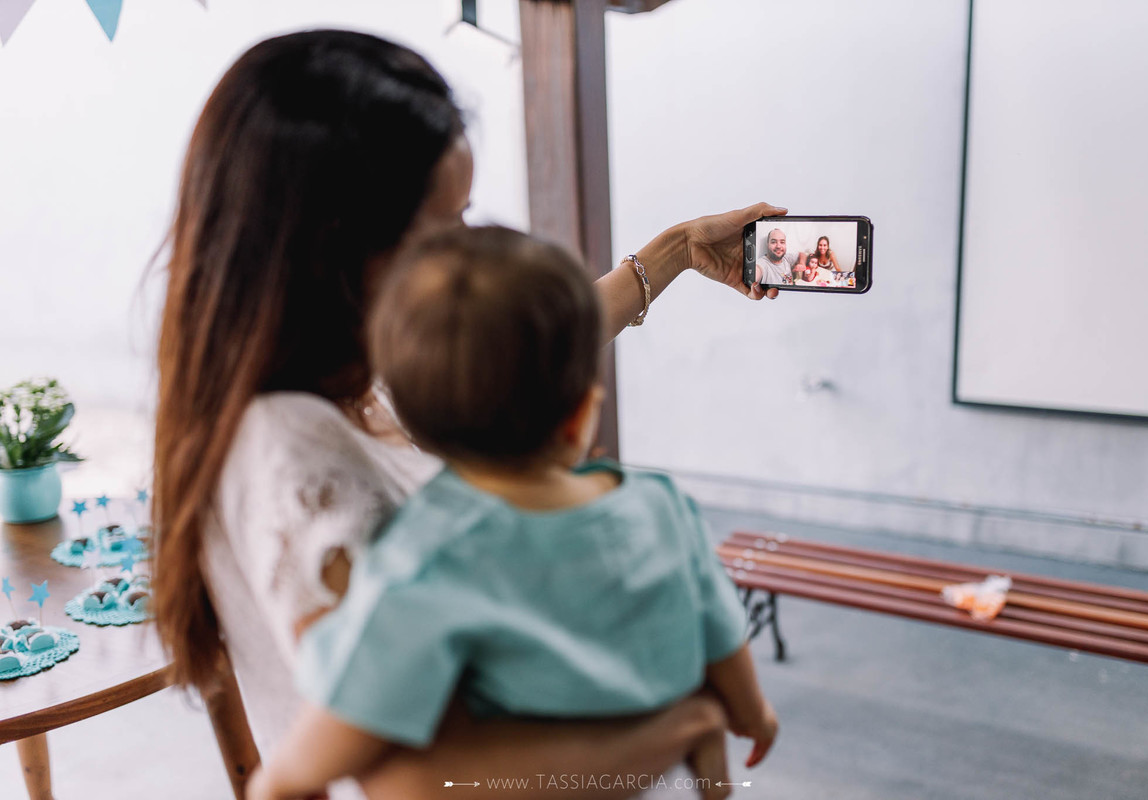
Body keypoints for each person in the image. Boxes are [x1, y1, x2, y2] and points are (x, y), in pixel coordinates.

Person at [151, 29, 785, 800]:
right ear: (338, 244)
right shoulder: (292, 451)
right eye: (442, 227)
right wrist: (679, 728)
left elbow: (519, 348)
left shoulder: (356, 370)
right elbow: (418, 780)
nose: (462, 254)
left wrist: (678, 251)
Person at [247, 226, 779, 800]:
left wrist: (275, 781)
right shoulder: (662, 505)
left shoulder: (424, 557)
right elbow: (723, 635)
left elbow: (340, 728)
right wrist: (752, 713)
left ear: (413, 430)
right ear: (579, 417)